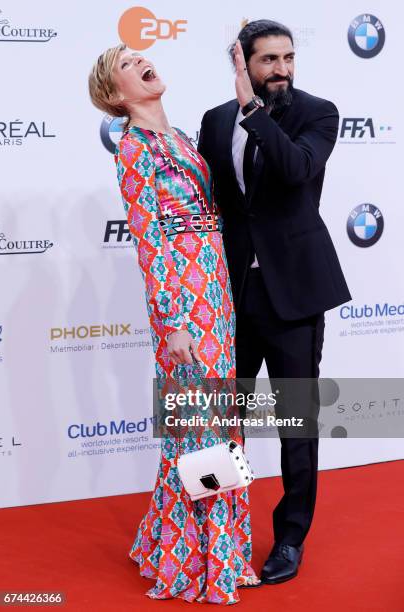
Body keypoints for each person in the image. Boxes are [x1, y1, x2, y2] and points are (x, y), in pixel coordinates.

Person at [88, 43, 260, 604]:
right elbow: (149, 238)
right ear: (116, 95)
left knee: (213, 419)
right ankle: (198, 557)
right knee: (198, 425)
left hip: (214, 287)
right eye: (125, 64)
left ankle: (203, 546)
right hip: (184, 298)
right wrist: (173, 322)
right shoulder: (134, 148)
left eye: (142, 55)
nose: (141, 61)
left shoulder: (181, 137)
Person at [198, 20, 352, 585]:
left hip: (294, 296)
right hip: (233, 297)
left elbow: (296, 169)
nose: (282, 69)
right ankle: (220, 527)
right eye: (268, 60)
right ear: (242, 63)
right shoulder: (215, 122)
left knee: (295, 424)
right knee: (222, 421)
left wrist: (253, 111)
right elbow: (211, 205)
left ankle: (290, 538)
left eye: (288, 57)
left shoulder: (318, 112)